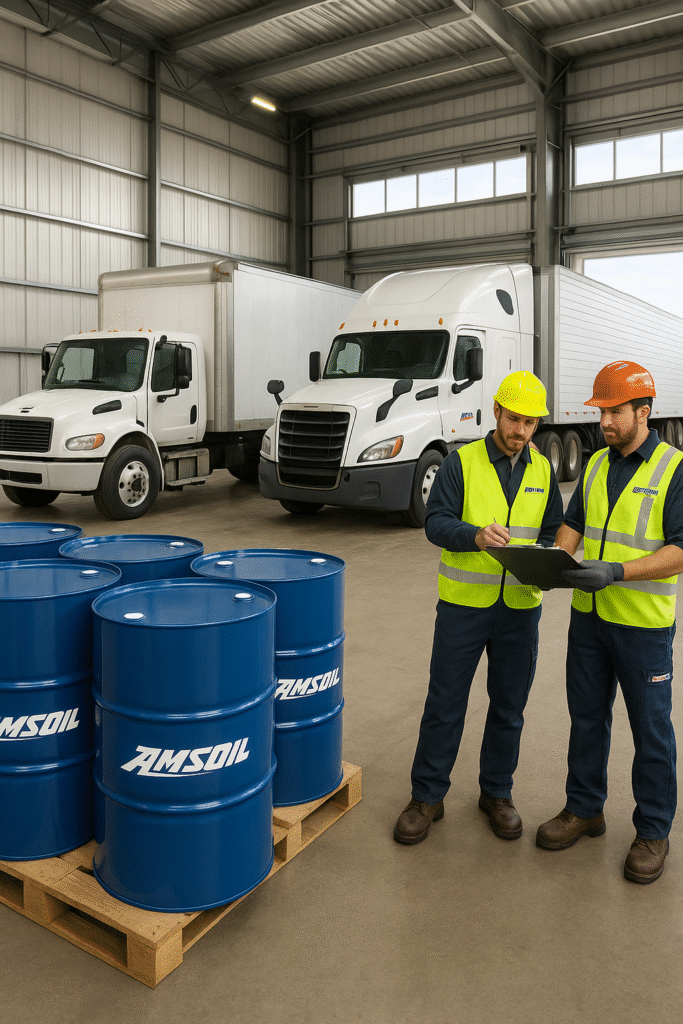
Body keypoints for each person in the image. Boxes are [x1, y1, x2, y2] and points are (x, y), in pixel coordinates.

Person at [394, 371, 563, 845]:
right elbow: (435, 523)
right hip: (464, 608)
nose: (522, 432)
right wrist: (475, 536)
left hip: (520, 608)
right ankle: (427, 796)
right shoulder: (461, 462)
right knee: (445, 703)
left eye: (531, 423)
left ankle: (497, 793)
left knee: (510, 706)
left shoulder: (542, 469)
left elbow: (551, 530)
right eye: (515, 420)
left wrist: (546, 561)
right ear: (497, 411)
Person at [536, 360, 683, 884]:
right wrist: (551, 562)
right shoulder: (596, 464)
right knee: (586, 719)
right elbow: (574, 525)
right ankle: (585, 808)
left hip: (643, 626)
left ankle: (653, 829)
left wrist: (618, 572)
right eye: (602, 413)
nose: (605, 422)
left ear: (644, 411)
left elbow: (680, 550)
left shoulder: (673, 468)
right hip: (589, 623)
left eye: (615, 412)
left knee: (651, 732)